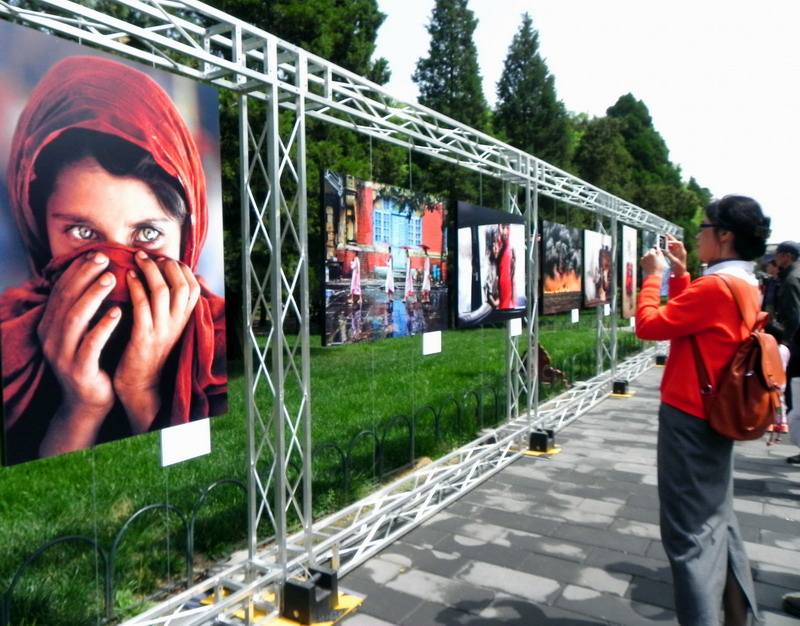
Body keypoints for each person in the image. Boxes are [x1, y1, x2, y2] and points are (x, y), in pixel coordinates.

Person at [1, 56, 227, 465]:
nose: (114, 265)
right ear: (36, 226)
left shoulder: (222, 344)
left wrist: (143, 389)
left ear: (188, 235)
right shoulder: (9, 345)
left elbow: (204, 486)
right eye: (84, 234)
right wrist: (81, 406)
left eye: (147, 234)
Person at [635, 195, 769, 625]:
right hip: (717, 414)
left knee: (688, 537)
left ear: (724, 235)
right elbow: (697, 320)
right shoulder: (744, 282)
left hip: (690, 416)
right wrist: (680, 273)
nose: (698, 235)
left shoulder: (716, 287)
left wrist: (652, 278)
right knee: (718, 522)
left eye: (704, 228)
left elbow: (650, 325)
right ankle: (738, 616)